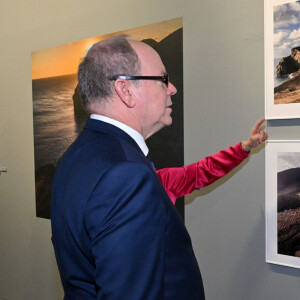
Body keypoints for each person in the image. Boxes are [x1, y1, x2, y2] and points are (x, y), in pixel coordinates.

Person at [51, 36, 267, 300]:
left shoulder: (74, 158)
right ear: (125, 90)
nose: (172, 88)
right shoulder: (126, 176)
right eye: (163, 79)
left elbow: (198, 173)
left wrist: (243, 147)